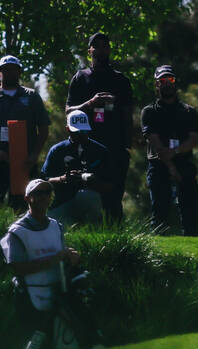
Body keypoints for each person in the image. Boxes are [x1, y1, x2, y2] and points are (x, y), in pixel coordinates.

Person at [0, 179, 91, 349]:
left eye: (47, 193)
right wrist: (54, 259)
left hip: (58, 293)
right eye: (38, 193)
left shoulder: (55, 226)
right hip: (30, 296)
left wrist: (70, 257)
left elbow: (60, 255)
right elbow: (16, 268)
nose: (44, 197)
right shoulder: (16, 232)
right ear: (27, 198)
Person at [65, 32, 135, 223]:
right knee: (87, 194)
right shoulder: (80, 78)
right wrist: (90, 103)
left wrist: (127, 146)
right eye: (97, 45)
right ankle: (89, 238)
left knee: (114, 197)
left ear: (110, 49)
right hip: (87, 146)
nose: (101, 49)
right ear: (89, 51)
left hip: (115, 147)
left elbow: (129, 116)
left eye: (105, 45)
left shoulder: (121, 80)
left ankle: (117, 242)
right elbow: (69, 110)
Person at [0, 55, 49, 217]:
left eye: (14, 70)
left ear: (20, 72)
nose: (10, 73)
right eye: (6, 70)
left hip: (25, 161)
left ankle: (23, 236)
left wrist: (35, 155)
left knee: (23, 205)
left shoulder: (31, 96)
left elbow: (43, 129)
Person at [141, 65, 198, 235]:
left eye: (171, 80)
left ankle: (193, 252)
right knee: (159, 213)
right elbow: (155, 143)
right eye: (162, 80)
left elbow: (193, 139)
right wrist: (171, 167)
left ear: (176, 83)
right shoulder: (149, 111)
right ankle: (156, 257)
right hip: (159, 166)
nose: (167, 83)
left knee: (190, 213)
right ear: (156, 84)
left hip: (185, 164)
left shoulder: (189, 111)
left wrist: (175, 153)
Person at [41, 110, 118, 228]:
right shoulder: (57, 150)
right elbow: (44, 180)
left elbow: (111, 185)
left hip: (90, 202)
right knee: (56, 228)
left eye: (84, 130)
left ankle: (92, 231)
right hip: (61, 202)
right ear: (68, 129)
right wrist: (63, 179)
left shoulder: (100, 151)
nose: (81, 134)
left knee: (89, 196)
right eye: (76, 131)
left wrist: (93, 181)